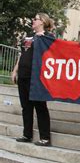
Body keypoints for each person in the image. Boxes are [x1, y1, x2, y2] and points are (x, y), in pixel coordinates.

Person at [11, 13, 54, 146]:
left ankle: (45, 138)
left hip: (37, 78)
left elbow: (54, 52)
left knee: (40, 107)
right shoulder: (28, 38)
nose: (33, 21)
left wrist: (43, 38)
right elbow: (22, 54)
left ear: (42, 22)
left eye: (35, 19)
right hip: (23, 76)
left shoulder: (48, 37)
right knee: (26, 107)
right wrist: (15, 70)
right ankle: (27, 134)